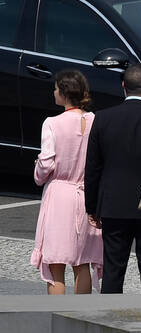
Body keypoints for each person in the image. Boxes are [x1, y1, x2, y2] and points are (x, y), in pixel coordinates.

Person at [84, 63, 141, 294]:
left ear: (123, 86)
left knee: (113, 269)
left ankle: (110, 317)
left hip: (113, 204)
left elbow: (93, 167)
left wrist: (92, 206)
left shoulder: (103, 118)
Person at [31, 70, 102, 294]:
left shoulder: (52, 123)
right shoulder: (94, 120)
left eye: (55, 88)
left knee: (55, 265)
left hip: (59, 195)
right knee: (82, 261)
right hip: (86, 194)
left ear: (63, 93)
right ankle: (81, 318)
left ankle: (57, 318)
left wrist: (37, 171)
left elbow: (46, 163)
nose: (53, 92)